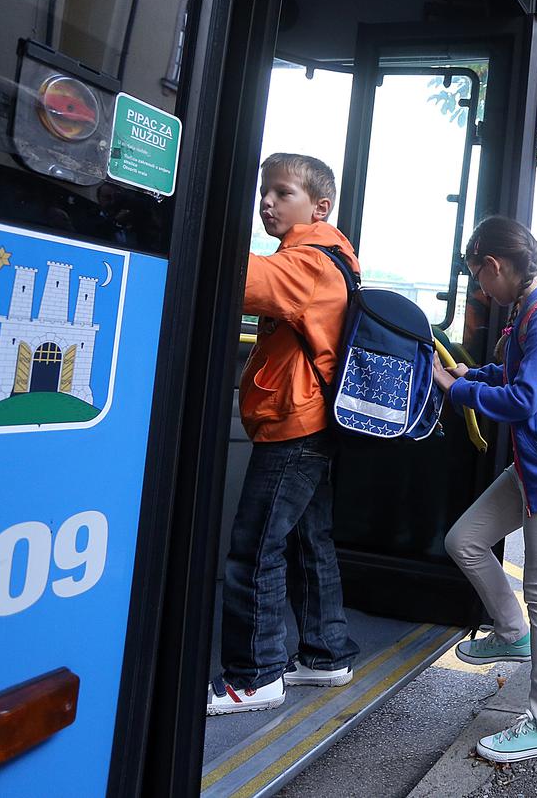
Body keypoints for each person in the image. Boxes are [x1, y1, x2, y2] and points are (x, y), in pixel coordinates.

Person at [432, 217, 537, 763]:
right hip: (536, 466)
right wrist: (465, 376)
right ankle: (511, 632)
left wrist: (457, 392)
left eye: (479, 277)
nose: (482, 289)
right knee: (466, 540)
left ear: (495, 266)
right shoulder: (529, 313)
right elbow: (511, 379)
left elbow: (524, 398)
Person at [208, 154, 360, 715]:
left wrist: (198, 216)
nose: (266, 203)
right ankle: (326, 653)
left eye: (282, 193)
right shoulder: (331, 257)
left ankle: (254, 675)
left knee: (254, 547)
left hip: (294, 426)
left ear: (319, 207)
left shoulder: (309, 262)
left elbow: (243, 278)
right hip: (312, 420)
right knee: (307, 539)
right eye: (262, 193)